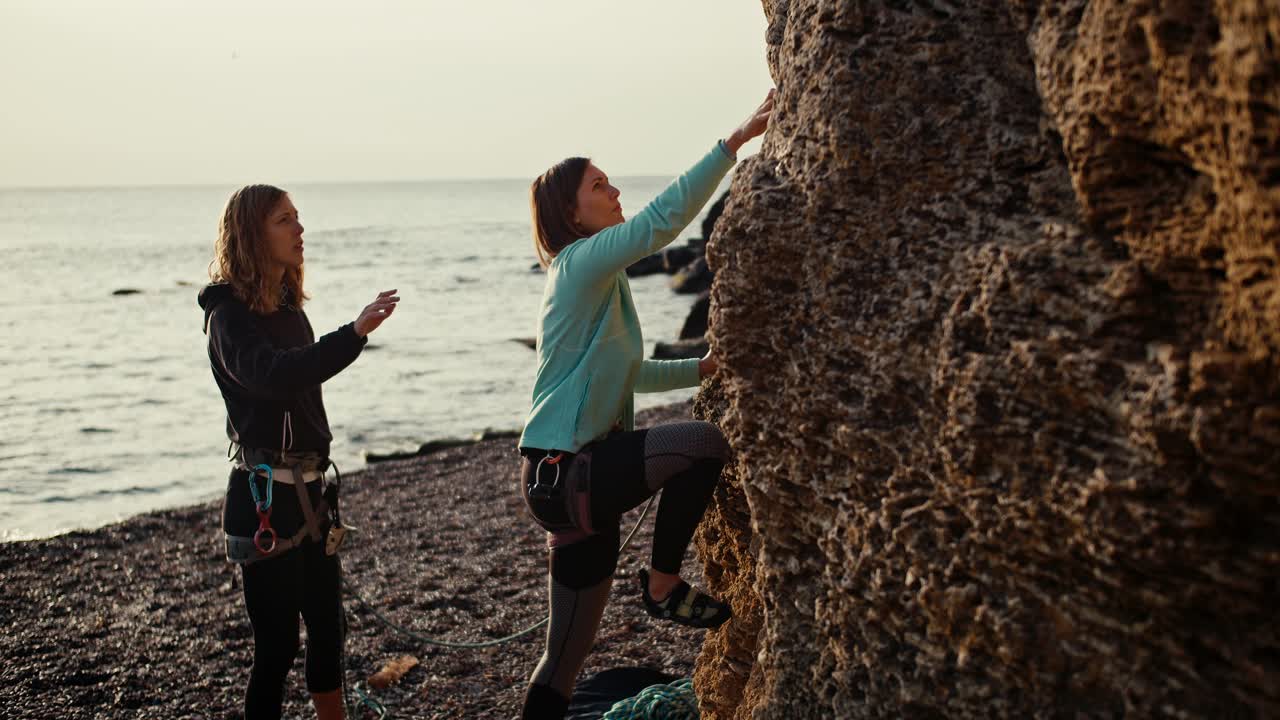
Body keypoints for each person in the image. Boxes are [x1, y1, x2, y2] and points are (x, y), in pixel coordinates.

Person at [517, 90, 775, 718]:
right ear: (572, 216)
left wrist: (702, 367)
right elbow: (661, 223)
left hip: (563, 478)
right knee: (701, 444)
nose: (613, 190)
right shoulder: (580, 263)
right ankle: (662, 583)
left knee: (566, 658)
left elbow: (626, 373)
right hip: (568, 471)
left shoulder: (595, 280)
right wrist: (732, 144)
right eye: (599, 185)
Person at [198, 184, 399, 720]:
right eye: (285, 220)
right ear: (252, 234)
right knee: (278, 647)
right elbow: (273, 378)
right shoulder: (227, 318)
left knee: (330, 632)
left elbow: (304, 385)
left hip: (313, 492)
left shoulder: (288, 308)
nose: (300, 229)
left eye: (297, 218)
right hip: (263, 499)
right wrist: (354, 333)